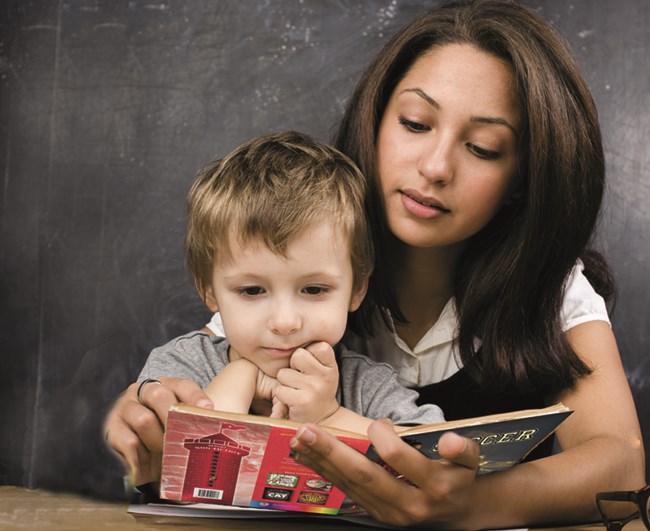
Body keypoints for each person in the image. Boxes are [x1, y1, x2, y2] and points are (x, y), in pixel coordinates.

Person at [104, 1, 646, 528]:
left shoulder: (550, 283)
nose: (435, 167)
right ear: (376, 118)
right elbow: (201, 377)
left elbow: (621, 468)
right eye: (414, 123)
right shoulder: (304, 247)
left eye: (482, 147)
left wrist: (470, 506)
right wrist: (145, 414)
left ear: (523, 180)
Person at [137, 130, 444, 435]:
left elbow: (431, 456)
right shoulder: (181, 366)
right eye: (252, 290)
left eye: (314, 290)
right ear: (209, 290)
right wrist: (240, 376)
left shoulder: (366, 386)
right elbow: (181, 458)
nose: (285, 323)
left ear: (357, 289)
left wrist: (329, 416)